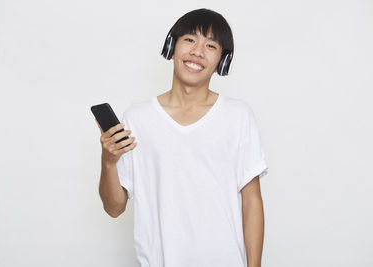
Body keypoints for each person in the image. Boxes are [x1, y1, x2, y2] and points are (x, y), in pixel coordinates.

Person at [96, 8, 269, 267]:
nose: (197, 51)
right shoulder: (138, 118)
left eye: (211, 45)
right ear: (171, 46)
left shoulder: (238, 116)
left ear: (222, 60)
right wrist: (108, 161)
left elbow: (251, 200)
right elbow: (114, 208)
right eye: (189, 39)